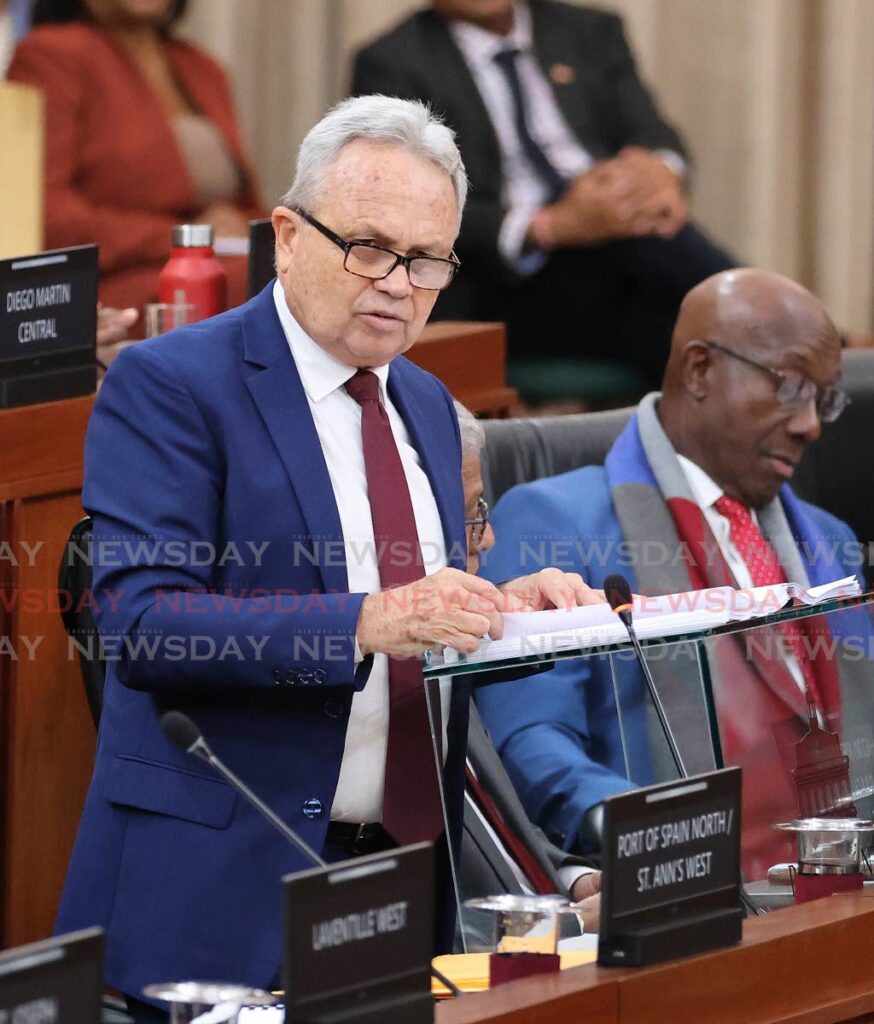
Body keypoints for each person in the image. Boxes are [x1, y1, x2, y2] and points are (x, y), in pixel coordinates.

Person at [54, 95, 600, 1022]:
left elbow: (417, 608)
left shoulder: (424, 401)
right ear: (288, 234)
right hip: (217, 886)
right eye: (370, 247)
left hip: (390, 877)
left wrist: (500, 606)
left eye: (426, 261)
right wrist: (371, 620)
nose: (397, 283)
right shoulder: (174, 385)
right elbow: (144, 626)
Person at [475, 268, 874, 880]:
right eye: (792, 386)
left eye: (824, 398)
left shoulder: (831, 542)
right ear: (699, 370)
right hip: (677, 890)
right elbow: (530, 739)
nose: (811, 425)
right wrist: (659, 831)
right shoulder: (555, 522)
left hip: (845, 881)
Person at [352, 0, 735, 382]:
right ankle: (760, 317)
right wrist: (551, 226)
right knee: (699, 307)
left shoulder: (590, 31)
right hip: (509, 282)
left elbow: (653, 133)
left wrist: (658, 175)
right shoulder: (393, 61)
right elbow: (404, 202)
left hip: (623, 260)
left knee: (681, 331)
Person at [6, 0, 263, 313]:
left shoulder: (203, 67)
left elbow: (246, 207)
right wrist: (189, 237)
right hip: (115, 292)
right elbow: (47, 216)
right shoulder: (52, 54)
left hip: (217, 265)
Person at [454, 402, 600, 947]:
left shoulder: (452, 640)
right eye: (470, 514)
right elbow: (447, 927)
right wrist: (577, 922)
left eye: (482, 508)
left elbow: (491, 824)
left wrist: (574, 877)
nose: (487, 538)